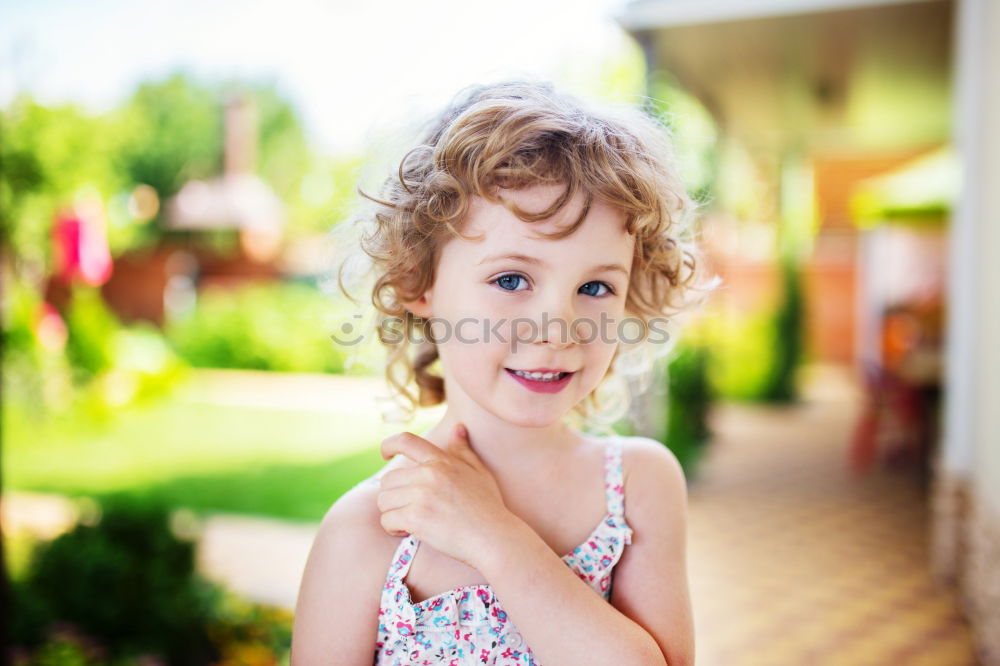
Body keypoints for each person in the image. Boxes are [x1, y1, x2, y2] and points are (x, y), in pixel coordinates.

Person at [292, 80, 714, 665]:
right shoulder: (369, 532)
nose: (558, 329)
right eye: (511, 280)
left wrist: (493, 536)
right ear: (420, 283)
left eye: (595, 287)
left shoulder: (639, 486)